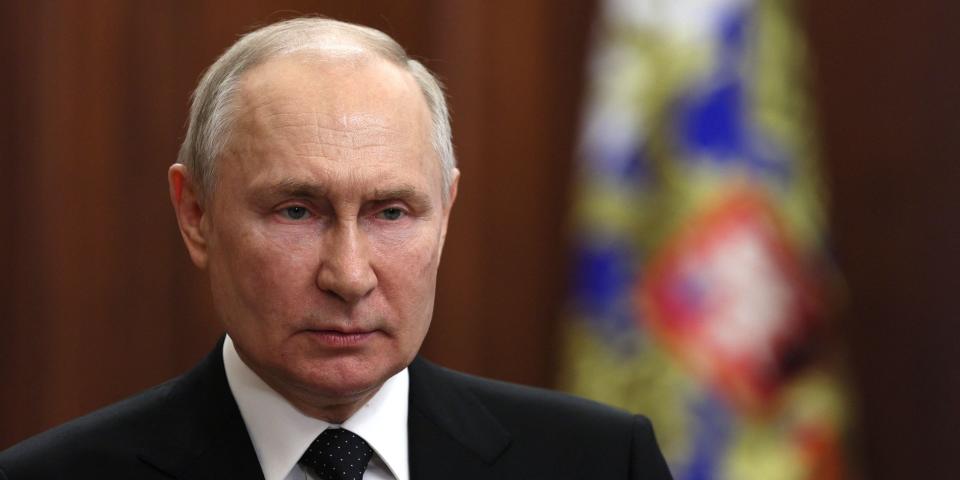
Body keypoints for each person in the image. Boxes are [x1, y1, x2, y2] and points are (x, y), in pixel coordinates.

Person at [0, 17, 671, 480]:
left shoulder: (602, 463)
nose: (349, 276)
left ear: (446, 216)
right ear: (196, 214)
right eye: (296, 210)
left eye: (391, 211)